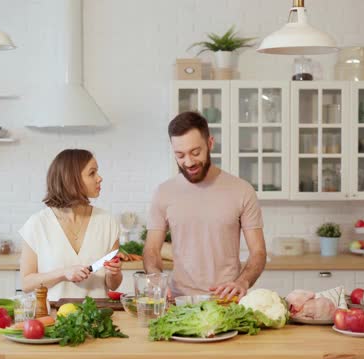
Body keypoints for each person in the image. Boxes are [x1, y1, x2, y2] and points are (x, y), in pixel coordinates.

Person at [143, 111, 266, 300]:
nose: (189, 162)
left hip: (226, 301)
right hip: (178, 301)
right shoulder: (164, 192)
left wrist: (242, 282)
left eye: (195, 152)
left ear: (210, 143)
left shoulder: (242, 190)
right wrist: (155, 278)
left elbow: (258, 252)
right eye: (180, 155)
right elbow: (151, 249)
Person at [19, 149, 122, 300]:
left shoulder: (108, 222)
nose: (100, 178)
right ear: (71, 179)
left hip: (98, 316)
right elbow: (26, 284)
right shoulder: (37, 224)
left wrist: (114, 274)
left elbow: (112, 285)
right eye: (92, 173)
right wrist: (62, 274)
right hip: (52, 317)